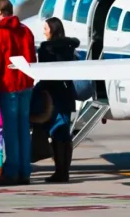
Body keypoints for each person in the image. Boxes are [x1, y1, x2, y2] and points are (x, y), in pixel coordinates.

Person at [0, 0, 37, 186]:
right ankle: (24, 171)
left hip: (9, 86)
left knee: (11, 130)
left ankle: (12, 171)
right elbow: (32, 58)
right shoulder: (25, 30)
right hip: (26, 84)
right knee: (23, 128)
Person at [36, 17, 78, 182]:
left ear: (52, 30)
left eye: (46, 28)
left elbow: (44, 74)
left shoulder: (46, 49)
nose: (44, 31)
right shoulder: (69, 47)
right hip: (66, 94)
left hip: (52, 96)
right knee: (64, 133)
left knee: (56, 132)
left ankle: (60, 172)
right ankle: (63, 170)